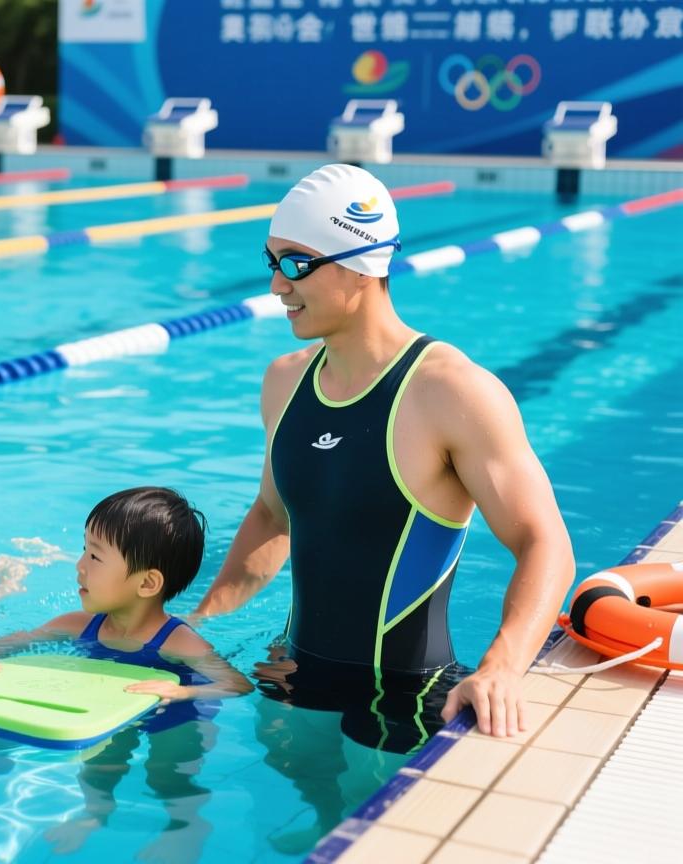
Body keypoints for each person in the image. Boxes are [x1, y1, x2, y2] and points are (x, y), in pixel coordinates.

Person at [192, 163, 574, 747]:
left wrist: (502, 666)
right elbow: (273, 515)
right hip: (291, 675)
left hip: (404, 699)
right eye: (272, 262)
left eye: (295, 264)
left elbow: (544, 541)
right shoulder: (284, 382)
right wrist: (199, 623)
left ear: (360, 266)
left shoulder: (450, 391)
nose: (276, 286)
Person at [0, 486, 252, 858]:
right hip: (112, 703)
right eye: (84, 549)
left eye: (95, 556)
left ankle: (184, 825)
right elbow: (3, 644)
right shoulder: (78, 625)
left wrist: (183, 693)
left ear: (147, 583)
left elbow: (237, 685)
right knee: (101, 763)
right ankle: (95, 812)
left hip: (176, 710)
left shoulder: (177, 641)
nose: (79, 565)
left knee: (167, 772)